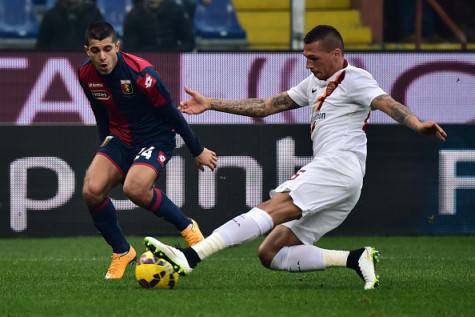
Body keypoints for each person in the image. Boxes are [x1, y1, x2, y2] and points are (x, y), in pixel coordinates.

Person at [143, 25, 447, 290]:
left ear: (337, 54)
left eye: (314, 58)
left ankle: (189, 257)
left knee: (270, 208)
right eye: (305, 58)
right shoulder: (314, 82)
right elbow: (265, 106)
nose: (308, 64)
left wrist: (417, 123)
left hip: (337, 167)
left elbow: (386, 102)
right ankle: (355, 258)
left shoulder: (354, 78)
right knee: (271, 253)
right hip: (343, 180)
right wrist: (211, 104)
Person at [78, 21, 217, 280]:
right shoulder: (85, 75)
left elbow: (173, 116)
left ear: (117, 47)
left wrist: (197, 150)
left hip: (156, 137)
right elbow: (100, 113)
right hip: (119, 138)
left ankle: (186, 226)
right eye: (95, 50)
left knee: (135, 188)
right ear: (87, 50)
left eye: (107, 49)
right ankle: (121, 251)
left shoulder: (142, 73)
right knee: (91, 191)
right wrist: (104, 150)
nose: (103, 56)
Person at [122, 0, 195, 52]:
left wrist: (172, 51)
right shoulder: (133, 15)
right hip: (144, 63)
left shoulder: (177, 11)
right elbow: (129, 48)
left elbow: (189, 43)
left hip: (172, 61)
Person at [36, 0, 103, 51]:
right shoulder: (50, 16)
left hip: (86, 61)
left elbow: (102, 42)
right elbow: (41, 46)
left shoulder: (94, 15)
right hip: (56, 63)